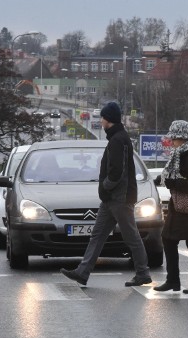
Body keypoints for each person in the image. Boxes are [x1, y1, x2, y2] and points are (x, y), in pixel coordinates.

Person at [60, 102, 152, 287]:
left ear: (108, 119)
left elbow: (117, 172)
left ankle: (143, 273)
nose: (100, 121)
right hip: (111, 199)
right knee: (98, 235)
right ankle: (82, 272)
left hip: (119, 198)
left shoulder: (118, 140)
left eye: (102, 118)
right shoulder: (117, 138)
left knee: (131, 236)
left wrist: (105, 186)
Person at [153, 120, 188, 295]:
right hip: (182, 206)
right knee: (176, 241)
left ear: (183, 138)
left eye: (174, 138)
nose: (172, 141)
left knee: (185, 242)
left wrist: (174, 183)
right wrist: (160, 181)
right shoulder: (182, 153)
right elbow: (175, 176)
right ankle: (180, 281)